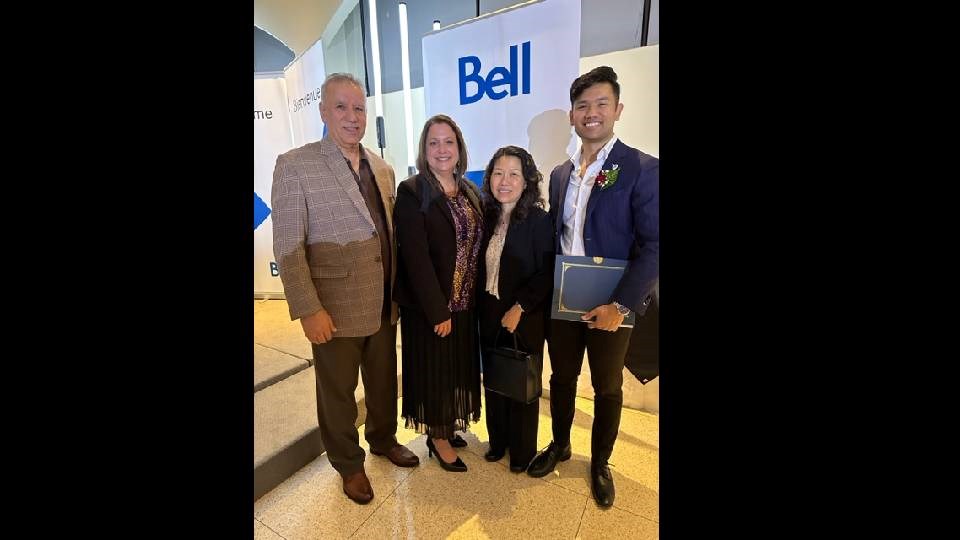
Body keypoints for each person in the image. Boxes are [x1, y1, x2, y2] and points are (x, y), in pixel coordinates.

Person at [271, 73, 419, 506]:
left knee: (382, 381)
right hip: (332, 306)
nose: (352, 117)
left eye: (358, 108)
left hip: (383, 301)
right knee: (336, 390)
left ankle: (383, 438)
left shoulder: (382, 167)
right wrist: (307, 308)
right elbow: (288, 245)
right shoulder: (295, 164)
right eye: (341, 107)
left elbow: (388, 236)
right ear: (322, 112)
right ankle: (348, 464)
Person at [526, 66, 659, 510]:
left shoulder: (641, 168)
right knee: (561, 377)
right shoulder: (561, 173)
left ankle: (600, 463)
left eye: (601, 103)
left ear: (617, 109)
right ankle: (560, 444)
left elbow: (655, 246)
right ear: (572, 115)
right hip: (565, 297)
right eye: (583, 105)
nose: (592, 113)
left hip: (613, 301)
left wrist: (621, 305)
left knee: (606, 387)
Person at [393, 114, 485, 472]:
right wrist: (437, 311)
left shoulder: (469, 190)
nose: (442, 149)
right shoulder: (412, 191)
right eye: (434, 143)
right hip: (432, 308)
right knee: (434, 370)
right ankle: (438, 435)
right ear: (424, 150)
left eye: (449, 142)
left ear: (459, 149)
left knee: (456, 370)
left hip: (465, 304)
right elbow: (415, 258)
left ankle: (448, 423)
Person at [477, 146, 555, 473]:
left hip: (524, 314)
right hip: (489, 310)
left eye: (513, 174)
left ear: (526, 181)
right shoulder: (486, 215)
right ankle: (498, 443)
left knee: (522, 383)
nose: (504, 181)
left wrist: (520, 306)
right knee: (495, 379)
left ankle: (521, 452)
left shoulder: (538, 219)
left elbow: (548, 269)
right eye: (498, 173)